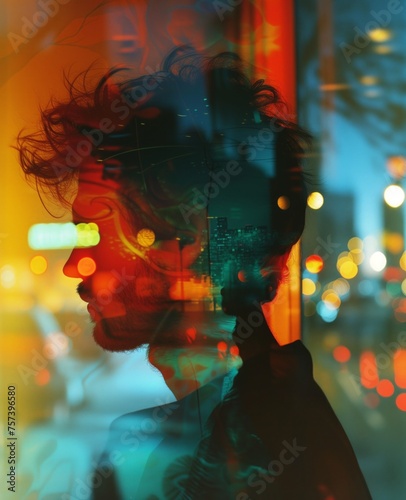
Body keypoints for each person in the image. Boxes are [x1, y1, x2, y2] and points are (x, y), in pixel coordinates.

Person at [17, 47, 371, 499]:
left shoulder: (217, 450)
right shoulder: (276, 406)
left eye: (93, 231)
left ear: (186, 243)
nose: (73, 266)